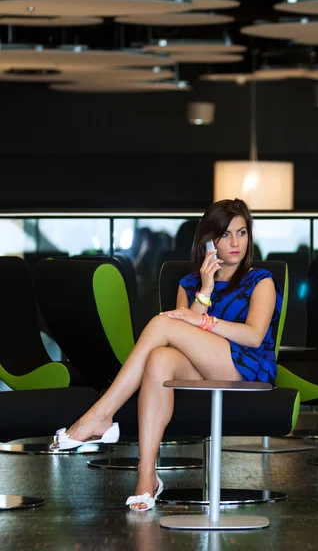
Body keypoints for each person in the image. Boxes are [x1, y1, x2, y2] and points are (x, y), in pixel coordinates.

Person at [52, 198, 283, 512]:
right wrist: (205, 288)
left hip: (246, 369)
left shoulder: (261, 280)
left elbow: (254, 337)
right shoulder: (189, 284)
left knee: (163, 323)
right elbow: (180, 345)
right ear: (209, 240)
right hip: (202, 367)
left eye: (241, 233)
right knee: (160, 357)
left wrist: (203, 320)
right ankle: (147, 478)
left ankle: (100, 415)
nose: (235, 243)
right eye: (225, 235)